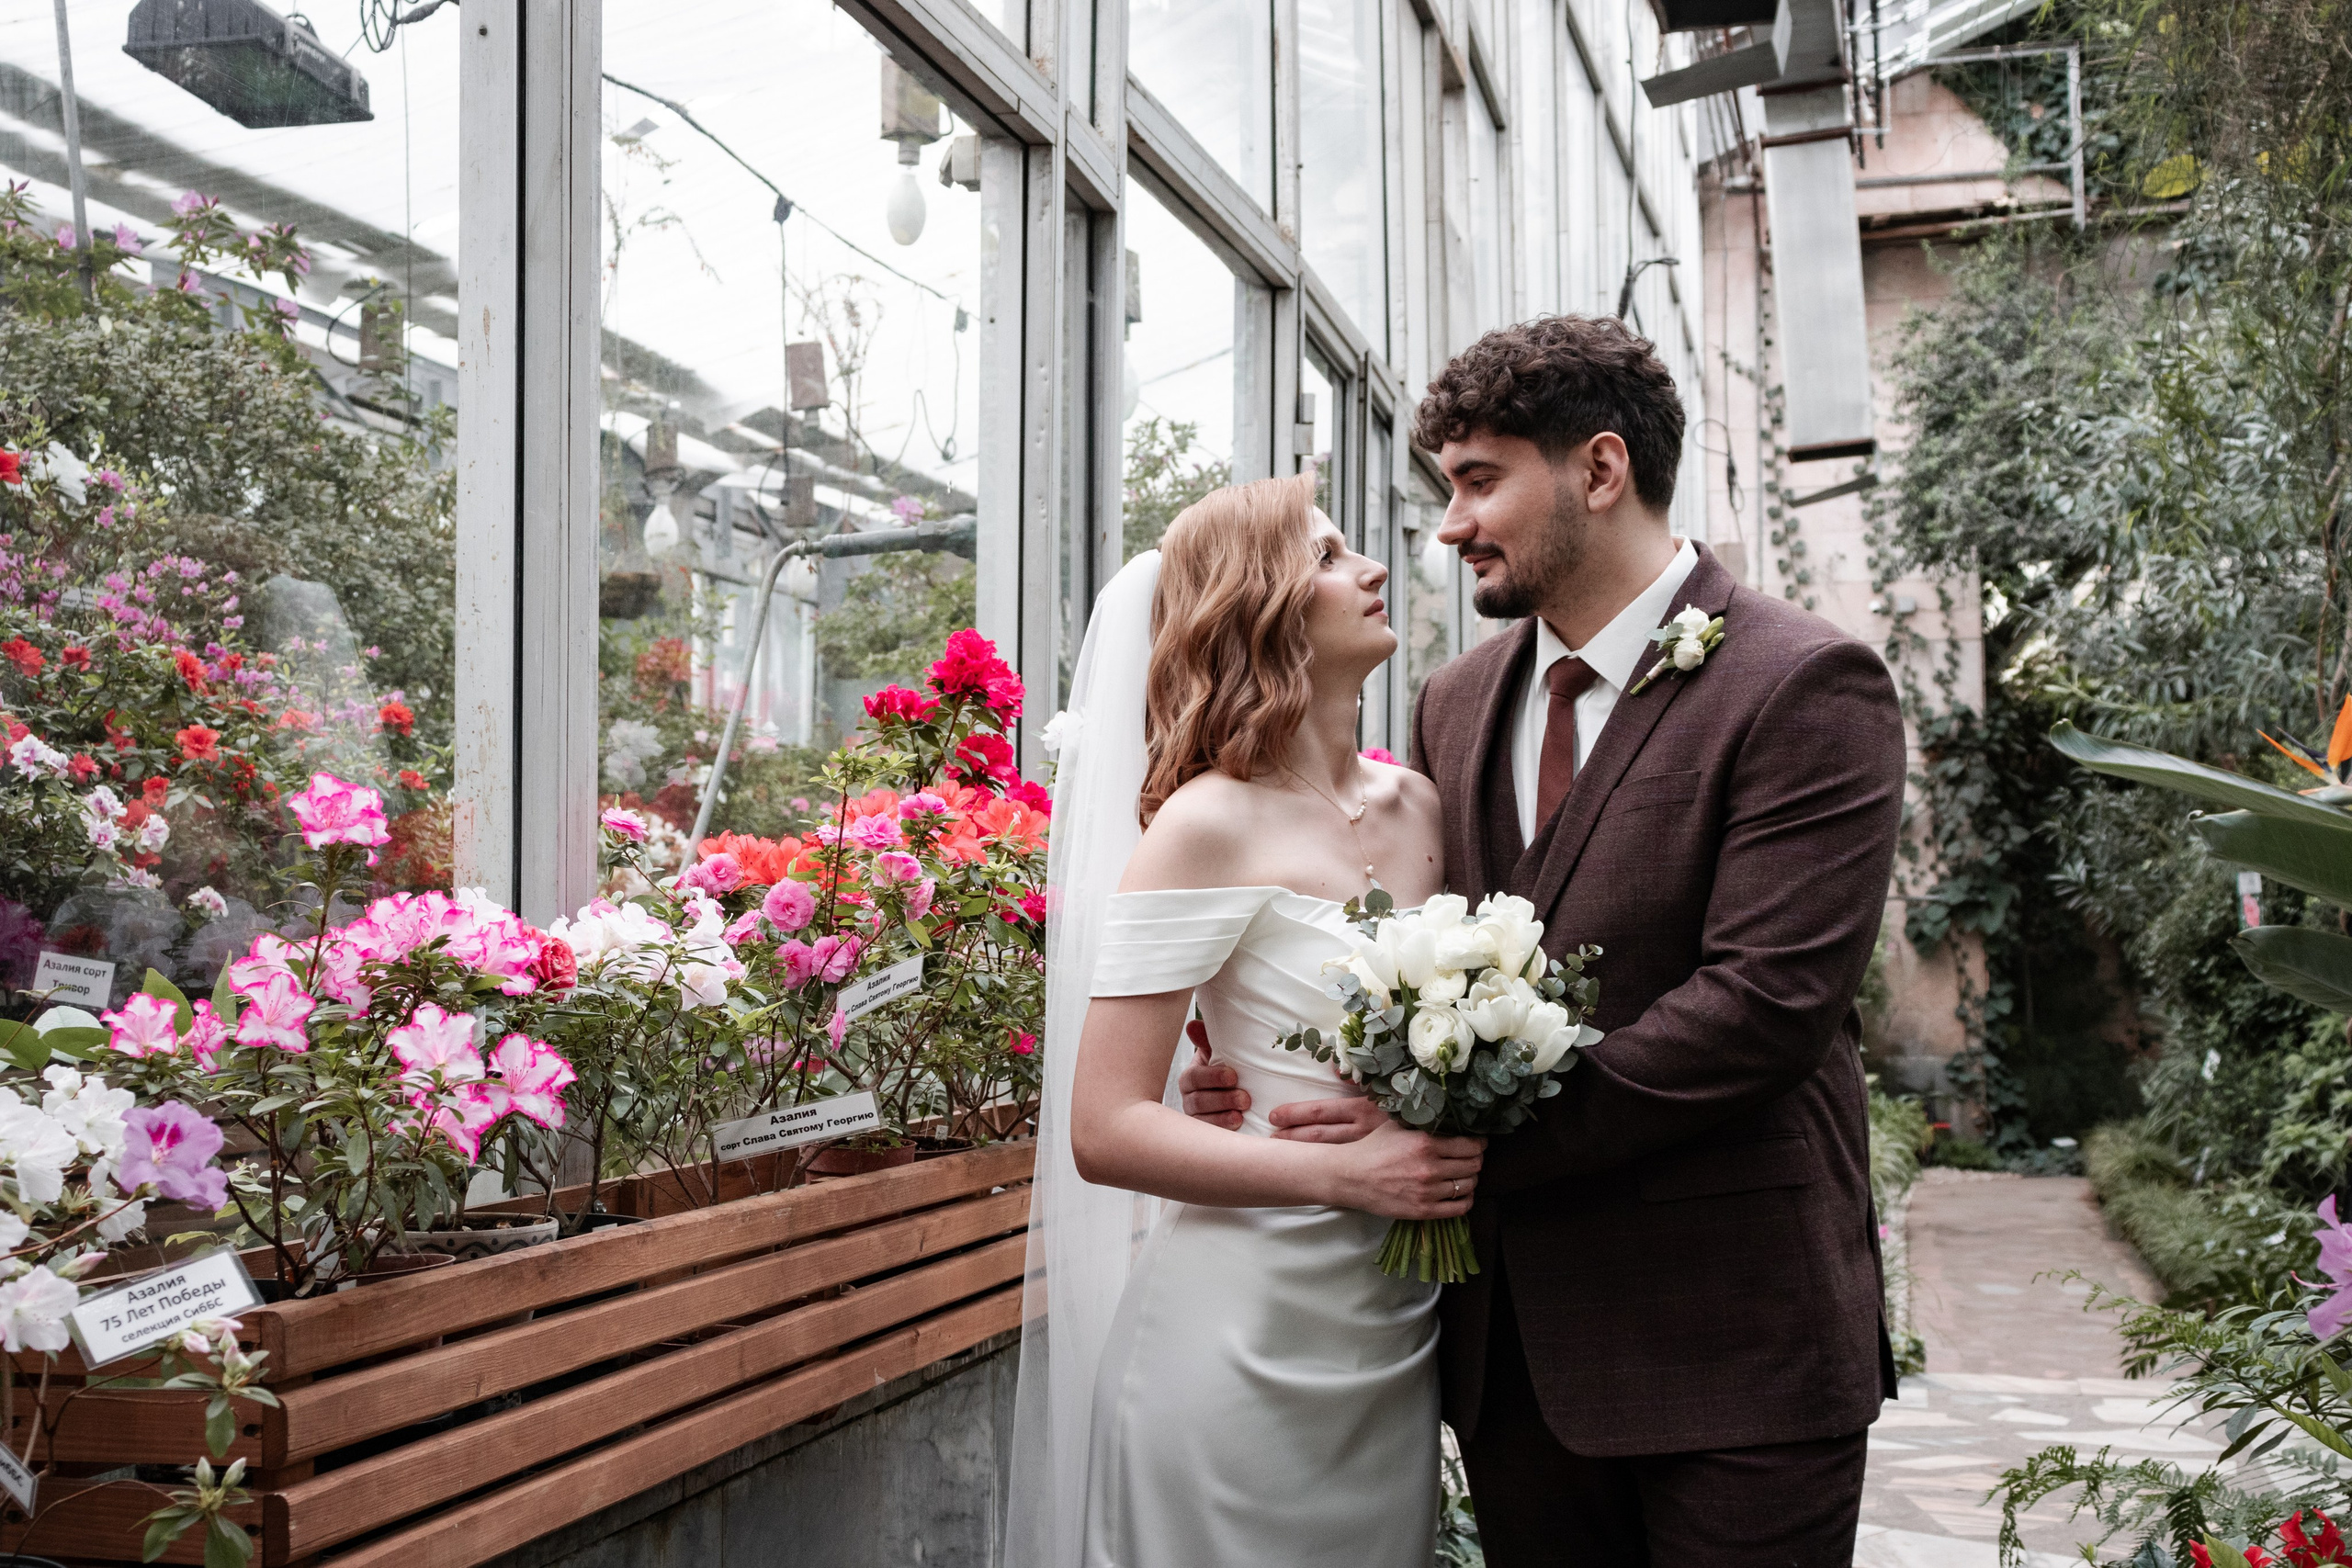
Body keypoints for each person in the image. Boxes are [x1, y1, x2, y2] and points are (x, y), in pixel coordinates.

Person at [1181, 314, 1908, 1565]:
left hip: (1733, 1341)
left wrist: (1450, 1142)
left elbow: (1763, 1007)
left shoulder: (1805, 682)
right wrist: (1265, 1059)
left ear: (1600, 468)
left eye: (1477, 480)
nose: (1449, 524)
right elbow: (1420, 957)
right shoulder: (1455, 701)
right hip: (1513, 1358)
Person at [1001, 471, 1480, 1566]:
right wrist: (1342, 1176)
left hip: (1391, 1331)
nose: (1367, 570)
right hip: (1235, 1336)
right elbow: (1105, 1126)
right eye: (1322, 556)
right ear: (1256, 609)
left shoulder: (1422, 807)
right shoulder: (1202, 824)